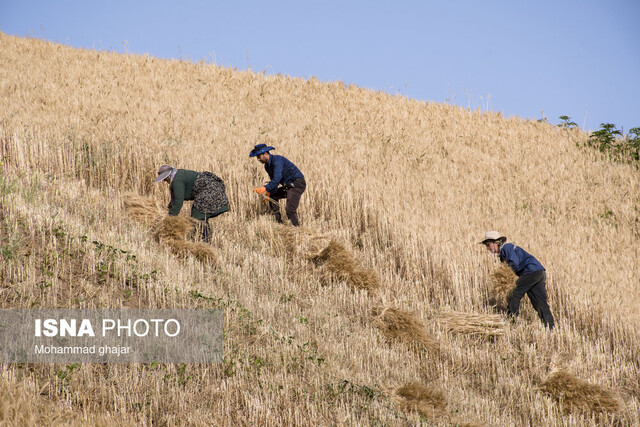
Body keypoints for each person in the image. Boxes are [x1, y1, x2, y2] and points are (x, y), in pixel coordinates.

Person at [481, 231, 555, 329]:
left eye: (488, 244)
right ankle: (550, 327)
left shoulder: (506, 248)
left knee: (513, 294)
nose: (487, 248)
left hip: (530, 272)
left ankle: (511, 323)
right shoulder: (506, 250)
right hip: (539, 272)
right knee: (539, 302)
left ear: (496, 242)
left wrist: (507, 277)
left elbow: (513, 263)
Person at [154, 165, 229, 242]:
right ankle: (204, 240)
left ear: (167, 176)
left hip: (210, 191)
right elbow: (176, 199)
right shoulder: (178, 175)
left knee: (198, 217)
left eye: (164, 179)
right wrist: (169, 209)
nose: (164, 181)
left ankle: (204, 242)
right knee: (200, 217)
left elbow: (178, 202)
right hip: (212, 189)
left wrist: (169, 219)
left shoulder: (177, 181)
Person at [250, 143, 306, 226]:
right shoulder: (267, 166)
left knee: (290, 210)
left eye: (258, 156)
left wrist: (265, 188)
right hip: (288, 186)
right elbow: (274, 182)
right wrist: (270, 191)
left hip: (297, 184)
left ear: (265, 154)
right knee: (272, 196)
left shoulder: (277, 160)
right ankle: (278, 223)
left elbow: (277, 179)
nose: (257, 159)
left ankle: (297, 229)